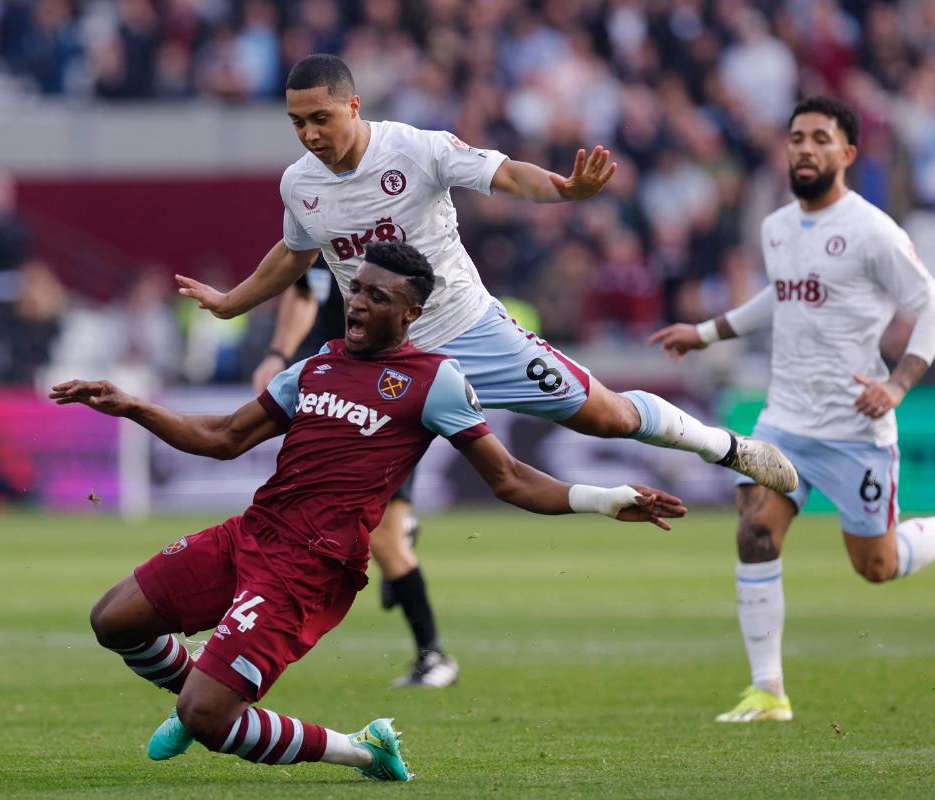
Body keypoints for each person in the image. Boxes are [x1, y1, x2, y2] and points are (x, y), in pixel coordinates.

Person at [52, 241, 686, 780]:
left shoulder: (434, 380)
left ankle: (361, 749)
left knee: (209, 719)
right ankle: (201, 690)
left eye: (377, 298)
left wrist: (607, 498)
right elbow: (222, 438)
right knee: (113, 620)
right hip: (251, 534)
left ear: (411, 313)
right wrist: (132, 405)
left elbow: (512, 479)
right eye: (356, 290)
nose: (356, 302)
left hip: (309, 568)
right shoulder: (318, 364)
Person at [174, 53, 798, 514]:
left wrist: (564, 190)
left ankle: (727, 449)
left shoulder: (416, 150)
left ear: (353, 107)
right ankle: (240, 624)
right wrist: (230, 304)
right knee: (313, 493)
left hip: (469, 332)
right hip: (379, 359)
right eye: (297, 123)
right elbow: (293, 254)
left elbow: (504, 175)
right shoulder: (299, 185)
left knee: (606, 416)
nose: (310, 134)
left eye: (320, 118)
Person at [648, 96, 935, 723]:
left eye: (821, 138)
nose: (806, 149)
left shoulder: (874, 231)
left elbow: (933, 310)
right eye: (796, 137)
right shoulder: (777, 227)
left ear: (846, 154)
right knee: (756, 532)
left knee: (877, 565)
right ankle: (769, 692)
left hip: (855, 428)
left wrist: (897, 386)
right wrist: (705, 332)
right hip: (783, 418)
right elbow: (781, 298)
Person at [253, 261, 454, 688]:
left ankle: (434, 656)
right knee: (348, 529)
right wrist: (279, 354)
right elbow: (306, 290)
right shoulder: (323, 229)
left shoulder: (398, 244)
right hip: (335, 391)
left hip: (385, 398)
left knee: (383, 540)